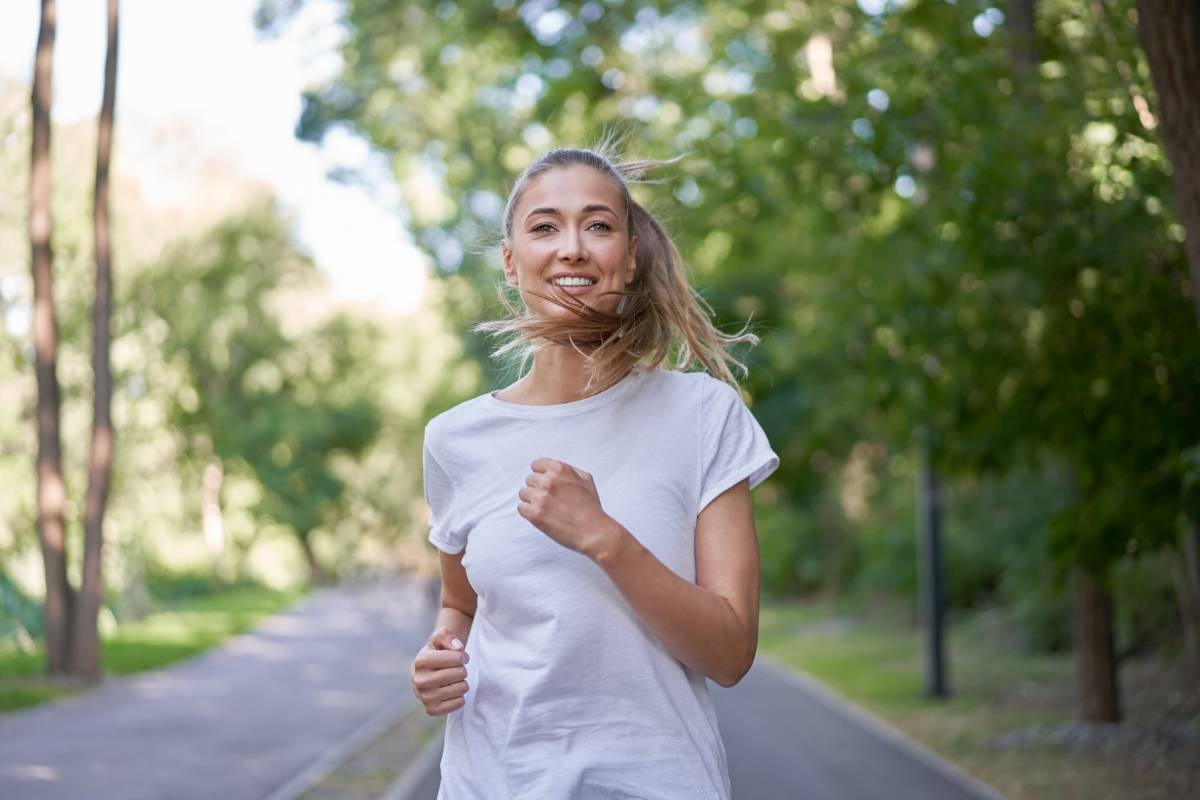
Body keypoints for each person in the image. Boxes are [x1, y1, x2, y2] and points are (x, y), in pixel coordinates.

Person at [411, 144, 780, 800]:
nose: (573, 247)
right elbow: (459, 603)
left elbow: (730, 654)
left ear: (630, 258)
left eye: (600, 225)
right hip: (492, 781)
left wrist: (604, 538)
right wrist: (443, 651)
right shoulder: (453, 440)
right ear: (510, 259)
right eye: (545, 226)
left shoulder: (701, 414)